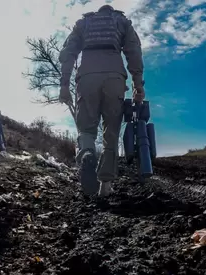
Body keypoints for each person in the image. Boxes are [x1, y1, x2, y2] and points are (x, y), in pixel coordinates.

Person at [58, 5, 145, 197]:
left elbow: (68, 53)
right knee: (111, 132)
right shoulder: (122, 22)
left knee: (87, 128)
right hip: (114, 77)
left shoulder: (83, 23)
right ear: (111, 11)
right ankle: (105, 186)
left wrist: (64, 84)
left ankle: (88, 152)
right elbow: (134, 52)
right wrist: (138, 85)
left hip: (87, 76)